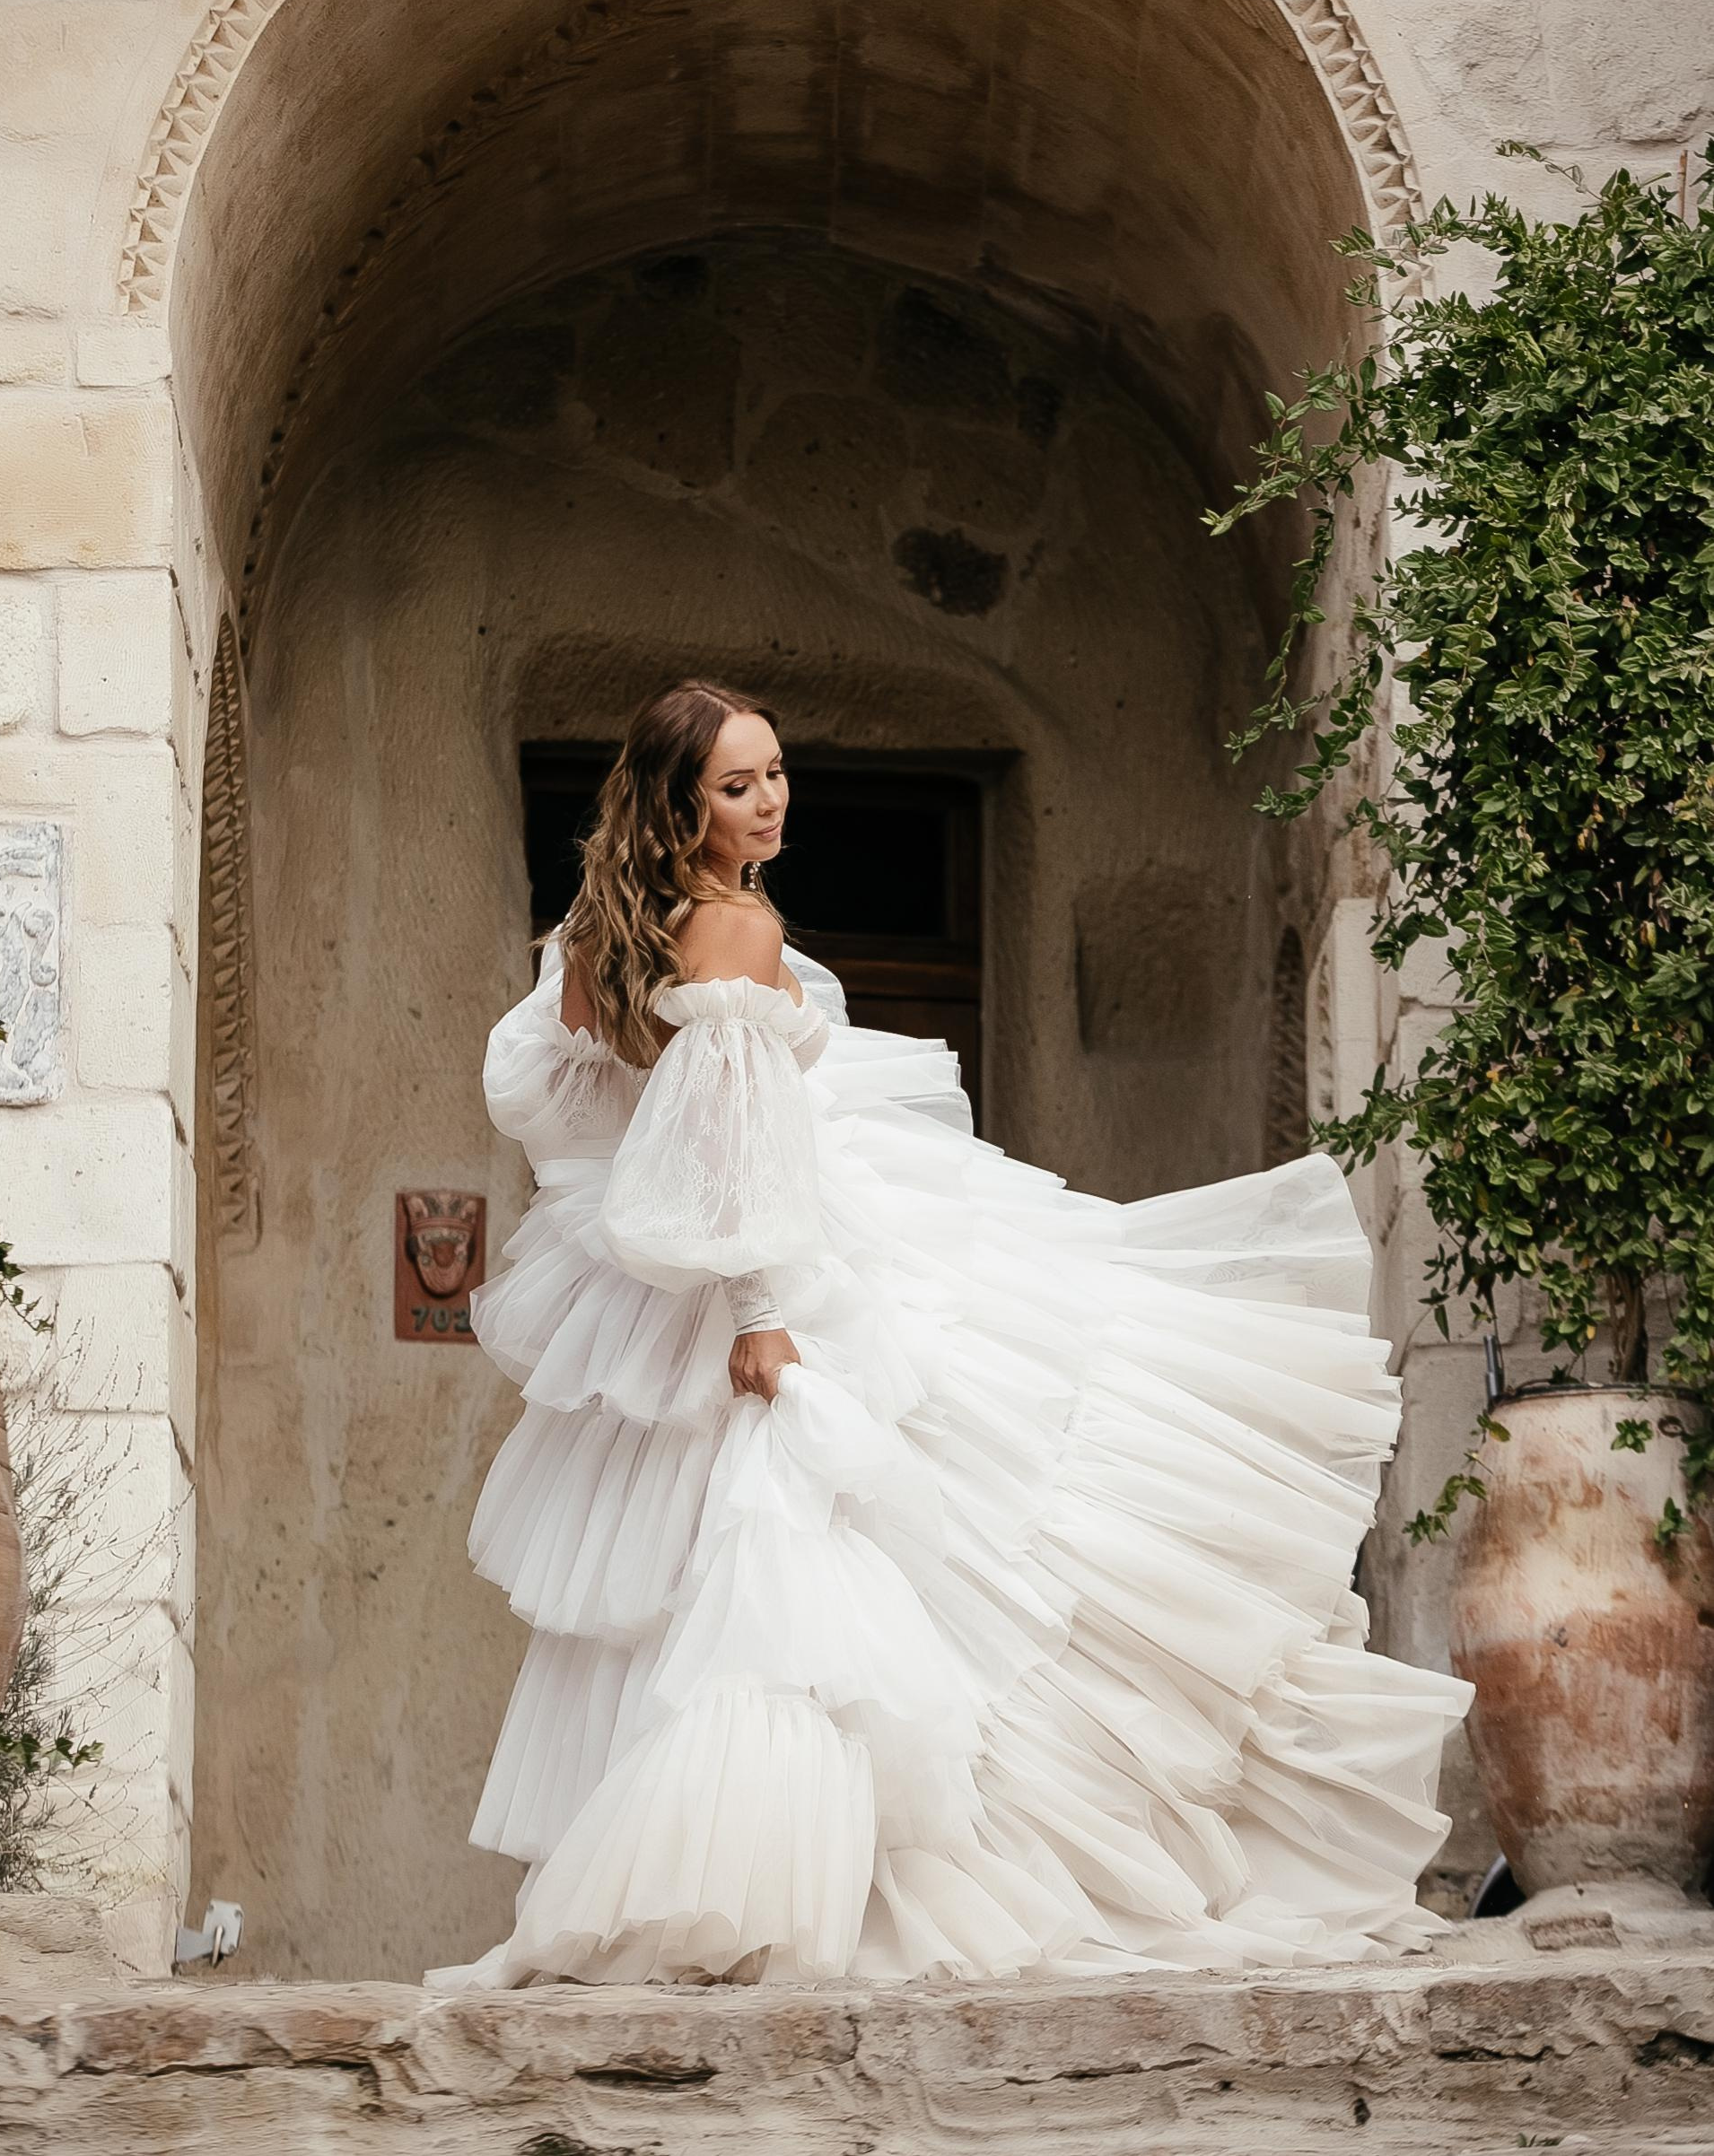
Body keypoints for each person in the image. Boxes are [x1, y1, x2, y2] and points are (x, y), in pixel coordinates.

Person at [425, 679, 1470, 1992]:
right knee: (804, 1565)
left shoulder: (596, 936)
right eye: (736, 785)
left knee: (742, 1575)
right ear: (677, 804)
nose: (770, 800)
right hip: (757, 1284)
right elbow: (730, 1148)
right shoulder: (733, 930)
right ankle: (773, 1882)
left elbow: (551, 1104)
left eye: (776, 773)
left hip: (654, 1300)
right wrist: (761, 1315)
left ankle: (727, 1882)